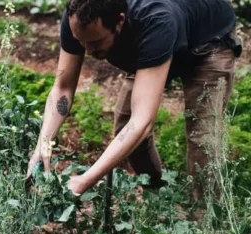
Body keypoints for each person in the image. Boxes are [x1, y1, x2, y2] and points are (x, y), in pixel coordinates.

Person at [26, 0, 242, 200]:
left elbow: (142, 121)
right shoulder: (79, 17)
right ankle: (157, 194)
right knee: (124, 126)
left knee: (202, 139)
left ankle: (206, 219)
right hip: (152, 42)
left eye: (95, 42)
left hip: (208, 43)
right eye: (80, 42)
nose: (87, 51)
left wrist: (84, 180)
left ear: (119, 21)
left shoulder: (155, 19)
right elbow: (63, 89)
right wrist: (42, 145)